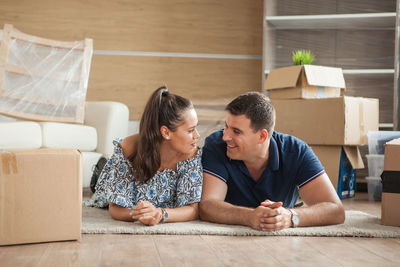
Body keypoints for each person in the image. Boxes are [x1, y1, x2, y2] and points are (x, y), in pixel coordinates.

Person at [199, 92, 345, 231]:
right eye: (226, 126)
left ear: (262, 136)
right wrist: (249, 217)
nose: (225, 137)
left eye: (236, 131)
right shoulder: (216, 145)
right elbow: (207, 206)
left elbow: (336, 210)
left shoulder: (296, 151)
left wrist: (290, 217)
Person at [84, 86, 203, 226]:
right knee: (100, 192)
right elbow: (115, 208)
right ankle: (102, 168)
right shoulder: (128, 149)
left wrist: (159, 214)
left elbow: (193, 209)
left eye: (196, 128)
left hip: (156, 207)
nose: (197, 135)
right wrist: (138, 214)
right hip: (120, 190)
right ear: (166, 132)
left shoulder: (192, 155)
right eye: (190, 130)